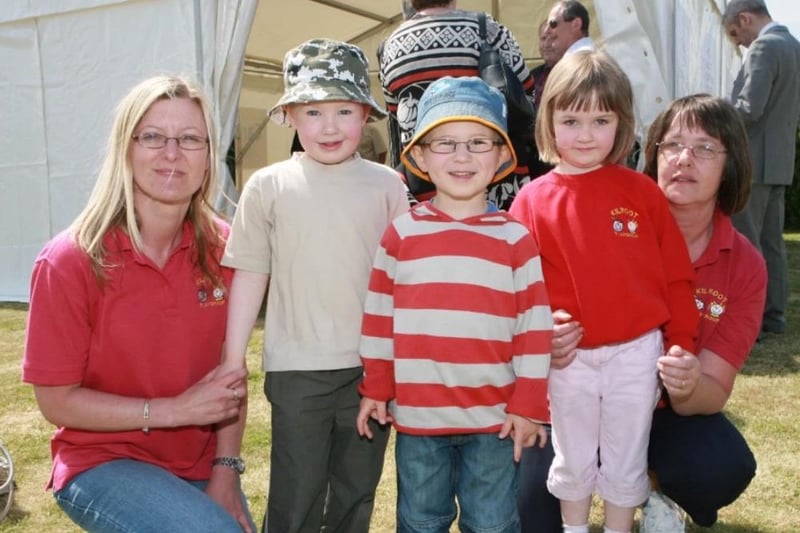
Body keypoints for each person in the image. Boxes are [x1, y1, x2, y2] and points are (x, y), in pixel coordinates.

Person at [517, 94, 767, 532]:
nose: (684, 159)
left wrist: (686, 382)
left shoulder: (743, 264)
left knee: (718, 465)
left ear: (731, 164)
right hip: (575, 390)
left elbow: (714, 390)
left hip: (662, 410)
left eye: (705, 147)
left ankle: (655, 489)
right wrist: (547, 332)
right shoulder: (607, 208)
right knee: (526, 510)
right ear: (652, 154)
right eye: (672, 145)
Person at [21, 75, 255, 532]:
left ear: (209, 157)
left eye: (190, 139)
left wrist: (226, 472)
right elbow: (55, 401)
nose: (172, 153)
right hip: (103, 461)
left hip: (201, 462)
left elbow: (231, 377)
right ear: (124, 150)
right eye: (152, 137)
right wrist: (171, 410)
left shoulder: (228, 249)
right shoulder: (69, 261)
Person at [219, 38, 409, 533]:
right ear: (289, 117)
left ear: (365, 114)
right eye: (313, 111)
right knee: (296, 493)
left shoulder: (389, 185)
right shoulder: (267, 186)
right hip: (297, 370)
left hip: (372, 369)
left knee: (355, 490)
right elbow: (250, 271)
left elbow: (405, 279)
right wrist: (232, 357)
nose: (329, 126)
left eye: (343, 110)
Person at [509, 51, 698, 533]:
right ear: (549, 121)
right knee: (571, 459)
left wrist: (681, 345)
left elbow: (678, 278)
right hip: (566, 360)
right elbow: (517, 290)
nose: (587, 133)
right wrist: (541, 329)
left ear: (622, 123)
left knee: (626, 457)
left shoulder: (643, 193)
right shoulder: (530, 200)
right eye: (571, 119)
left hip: (636, 353)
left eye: (601, 119)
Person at [356, 75, 552, 533]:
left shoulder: (515, 239)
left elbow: (535, 330)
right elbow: (379, 318)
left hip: (495, 422)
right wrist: (377, 388)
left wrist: (528, 406)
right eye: (444, 143)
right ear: (420, 156)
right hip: (420, 420)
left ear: (503, 155)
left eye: (478, 142)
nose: (462, 156)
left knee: (492, 523)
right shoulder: (401, 234)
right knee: (421, 522)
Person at [379, 0, 536, 209]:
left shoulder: (390, 46)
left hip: (423, 181)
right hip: (491, 179)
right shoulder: (485, 29)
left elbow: (396, 117)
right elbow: (524, 93)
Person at [723, 0, 800, 335]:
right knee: (771, 245)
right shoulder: (793, 45)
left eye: (736, 33)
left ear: (745, 17)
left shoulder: (763, 48)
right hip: (779, 161)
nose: (739, 42)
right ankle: (773, 316)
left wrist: (715, 115)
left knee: (747, 244)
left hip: (753, 161)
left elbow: (749, 109)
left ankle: (751, 318)